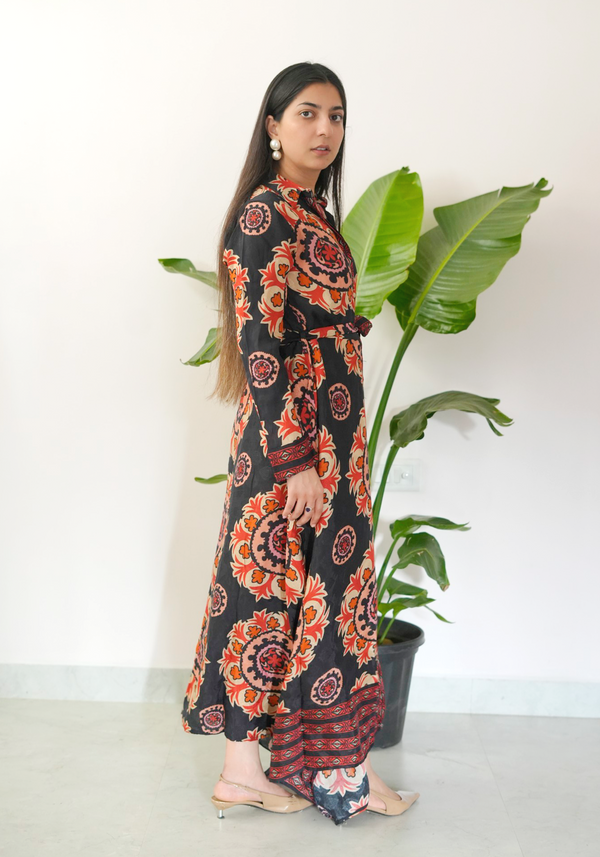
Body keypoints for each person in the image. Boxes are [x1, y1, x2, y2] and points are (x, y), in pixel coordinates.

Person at [181, 61, 420, 825]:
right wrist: (295, 461)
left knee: (299, 598)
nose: (325, 130)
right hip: (293, 447)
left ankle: (248, 770)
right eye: (308, 113)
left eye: (337, 117)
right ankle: (337, 770)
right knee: (265, 597)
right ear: (272, 125)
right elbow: (259, 344)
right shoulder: (264, 215)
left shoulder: (311, 210)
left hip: (330, 441)